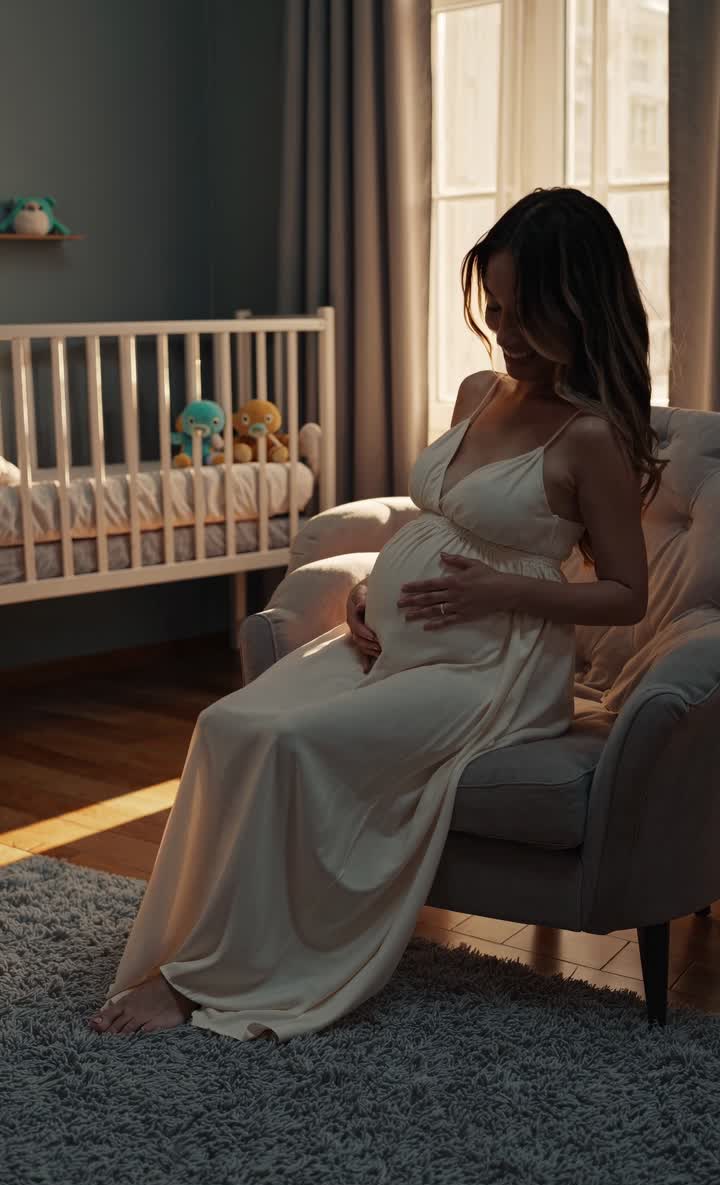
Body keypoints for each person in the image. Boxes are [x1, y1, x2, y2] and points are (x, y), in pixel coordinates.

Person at [89, 186, 667, 1041]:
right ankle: (190, 938)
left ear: (578, 308)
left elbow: (628, 594)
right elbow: (436, 520)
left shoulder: (591, 437)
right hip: (390, 642)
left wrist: (502, 590)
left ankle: (201, 977)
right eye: (495, 308)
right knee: (226, 725)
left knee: (290, 744)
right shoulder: (481, 392)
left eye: (525, 315)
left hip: (491, 671)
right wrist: (374, 590)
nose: (504, 332)